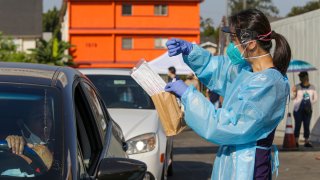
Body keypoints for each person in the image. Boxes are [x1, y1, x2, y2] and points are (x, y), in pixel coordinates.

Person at [165, 9, 291, 180]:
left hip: (248, 167)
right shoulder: (246, 71)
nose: (231, 46)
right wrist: (191, 52)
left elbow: (227, 124)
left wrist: (188, 95)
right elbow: (218, 69)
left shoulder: (268, 83)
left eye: (233, 39)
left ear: (251, 43)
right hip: (233, 163)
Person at [5, 105, 53, 171]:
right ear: (22, 124)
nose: (46, 123)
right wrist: (11, 145)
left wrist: (50, 164)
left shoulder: (62, 147)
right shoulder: (13, 151)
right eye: (39, 117)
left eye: (49, 117)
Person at [292, 71, 318, 147]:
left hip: (308, 109)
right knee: (297, 125)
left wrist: (309, 103)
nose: (300, 78)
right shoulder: (297, 87)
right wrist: (293, 92)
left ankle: (306, 141)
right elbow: (292, 97)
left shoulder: (312, 87)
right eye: (299, 76)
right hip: (298, 109)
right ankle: (296, 141)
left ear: (306, 77)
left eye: (301, 76)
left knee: (307, 125)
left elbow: (315, 98)